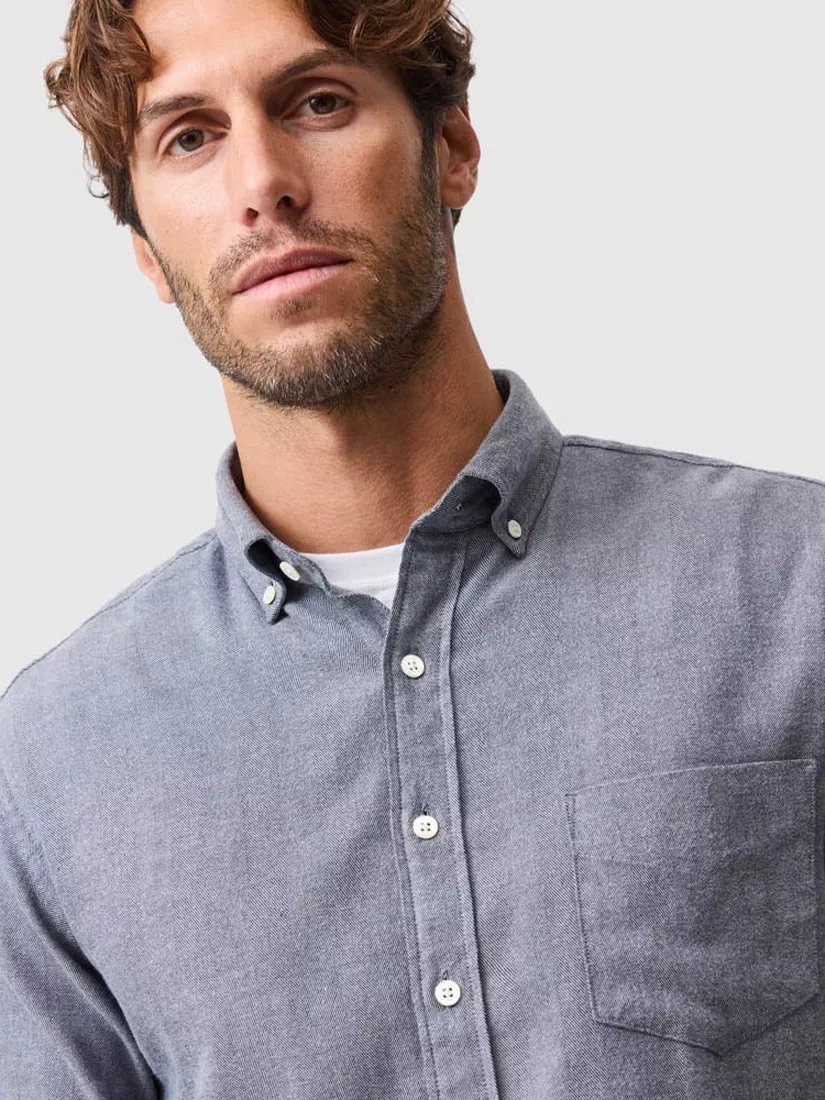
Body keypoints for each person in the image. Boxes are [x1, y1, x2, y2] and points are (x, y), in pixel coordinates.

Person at [1, 0, 823, 1096]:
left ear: (454, 151)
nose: (264, 183)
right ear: (147, 250)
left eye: (317, 102)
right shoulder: (52, 768)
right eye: (189, 137)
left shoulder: (794, 590)